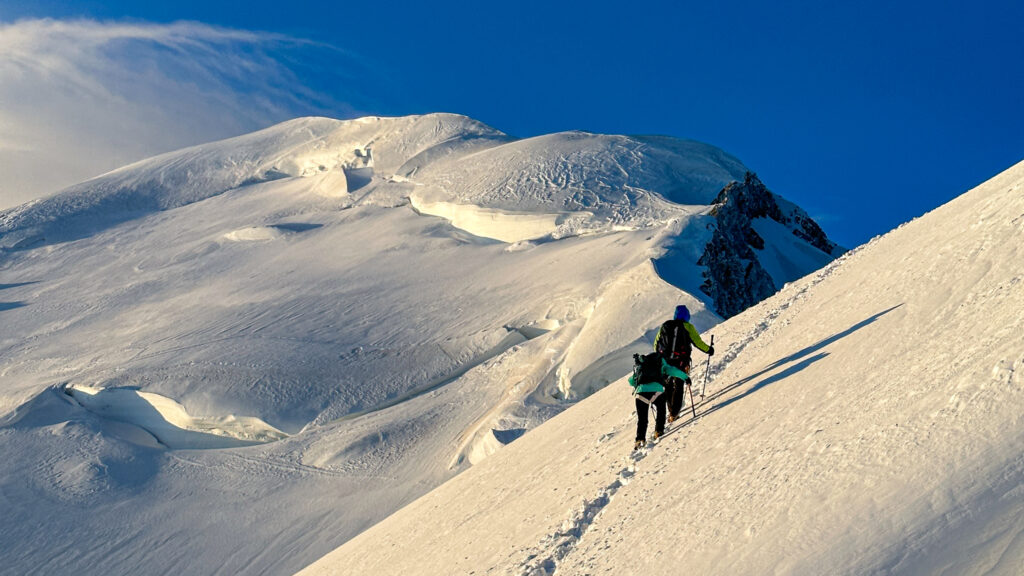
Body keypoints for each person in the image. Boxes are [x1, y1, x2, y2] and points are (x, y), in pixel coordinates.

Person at [654, 305, 714, 422]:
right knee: (679, 384)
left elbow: (656, 344)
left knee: (668, 385)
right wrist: (709, 350)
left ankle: (671, 410)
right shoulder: (688, 327)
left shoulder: (665, 325)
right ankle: (675, 413)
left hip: (665, 361)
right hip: (681, 361)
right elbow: (698, 343)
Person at [628, 352, 690, 449]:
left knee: (642, 418)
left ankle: (640, 439)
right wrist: (686, 378)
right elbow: (673, 371)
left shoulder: (642, 365)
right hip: (657, 391)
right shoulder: (661, 362)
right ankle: (659, 430)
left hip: (641, 393)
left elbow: (631, 381)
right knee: (661, 410)